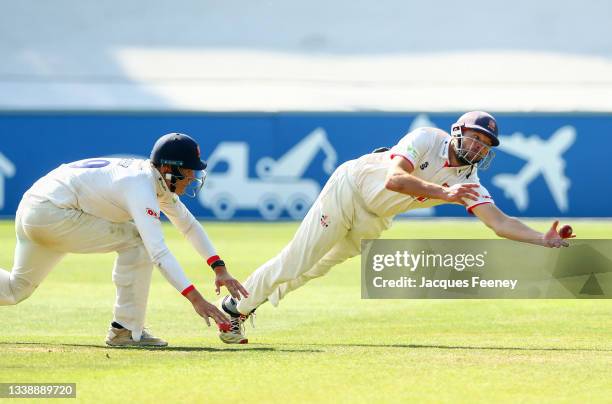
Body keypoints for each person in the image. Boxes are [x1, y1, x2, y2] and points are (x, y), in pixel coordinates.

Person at [217, 111, 572, 344]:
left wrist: (542, 239)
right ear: (457, 132)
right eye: (475, 137)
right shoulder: (427, 139)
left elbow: (499, 222)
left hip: (374, 218)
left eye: (486, 144)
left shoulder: (469, 181)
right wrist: (444, 193)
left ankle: (241, 307)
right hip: (349, 190)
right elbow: (395, 179)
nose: (478, 147)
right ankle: (233, 309)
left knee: (313, 269)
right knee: (297, 259)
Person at [0, 133, 248, 347]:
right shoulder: (140, 186)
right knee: (137, 240)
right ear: (168, 169)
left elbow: (189, 226)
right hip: (51, 212)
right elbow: (158, 252)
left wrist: (220, 269)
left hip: (37, 207)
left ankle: (126, 329)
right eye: (188, 170)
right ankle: (125, 329)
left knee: (15, 290)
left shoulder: (153, 181)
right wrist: (196, 299)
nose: (192, 176)